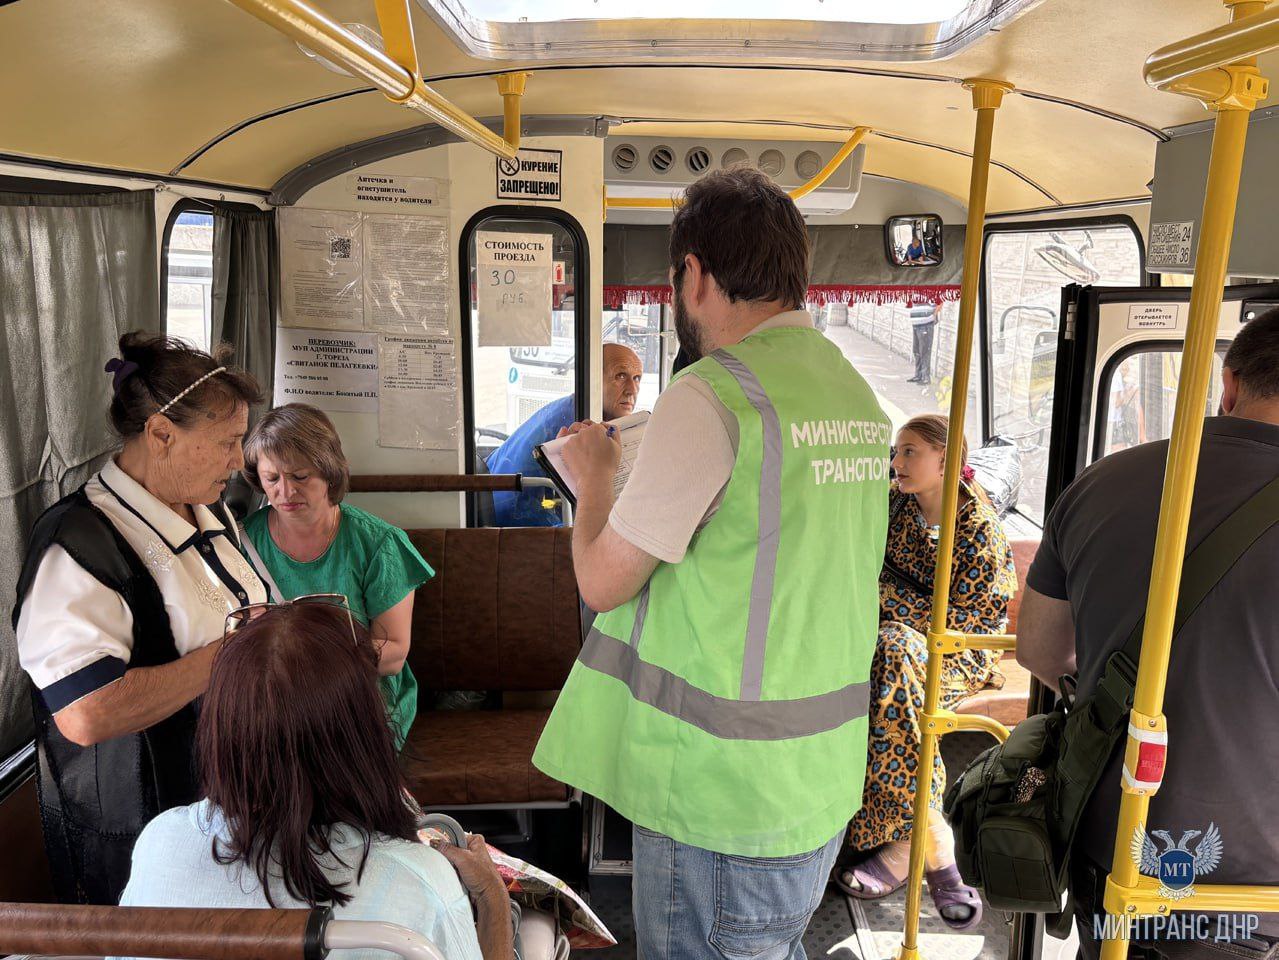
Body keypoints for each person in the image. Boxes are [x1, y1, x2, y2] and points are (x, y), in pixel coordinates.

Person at [533, 167, 892, 960]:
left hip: (716, 792)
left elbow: (601, 580)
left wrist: (593, 480)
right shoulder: (852, 395)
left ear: (692, 274)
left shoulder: (711, 397)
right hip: (818, 776)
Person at [1016, 308, 1279, 960]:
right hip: (1251, 879)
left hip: (1108, 839)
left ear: (1229, 383)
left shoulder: (1101, 481)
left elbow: (1039, 650)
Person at [12, 333, 267, 905]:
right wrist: (233, 652)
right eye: (227, 443)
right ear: (159, 434)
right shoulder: (78, 543)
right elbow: (86, 711)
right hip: (145, 833)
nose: (238, 460)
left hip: (230, 805)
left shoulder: (208, 506)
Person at [118, 601, 513, 960]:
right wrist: (492, 900)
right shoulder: (421, 883)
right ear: (363, 731)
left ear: (221, 730)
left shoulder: (160, 843)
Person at [836, 414, 1015, 929]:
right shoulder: (894, 507)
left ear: (947, 461)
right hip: (891, 643)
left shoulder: (978, 529)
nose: (897, 463)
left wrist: (885, 599)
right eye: (896, 452)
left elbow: (967, 620)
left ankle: (907, 843)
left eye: (910, 452)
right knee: (892, 655)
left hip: (962, 647)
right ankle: (929, 832)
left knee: (895, 652)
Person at [240, 403, 433, 752]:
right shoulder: (241, 542)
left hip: (358, 695)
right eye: (272, 479)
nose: (285, 492)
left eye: (300, 476)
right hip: (276, 698)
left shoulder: (378, 544)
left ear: (329, 472)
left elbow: (393, 653)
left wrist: (310, 666)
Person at [486, 343, 642, 526]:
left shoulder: (572, 407)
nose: (632, 389)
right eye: (620, 376)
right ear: (594, 379)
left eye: (637, 378)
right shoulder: (578, 423)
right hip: (515, 521)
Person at [909, 302, 941, 385]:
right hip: (916, 324)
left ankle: (926, 377)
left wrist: (934, 315)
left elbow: (940, 301)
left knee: (924, 351)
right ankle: (918, 375)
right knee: (916, 351)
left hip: (925, 324)